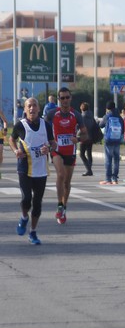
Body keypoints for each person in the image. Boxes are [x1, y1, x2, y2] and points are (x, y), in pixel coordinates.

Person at [8, 97, 56, 245]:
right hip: (24, 168)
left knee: (37, 203)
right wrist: (16, 150)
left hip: (40, 170)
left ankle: (33, 232)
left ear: (39, 108)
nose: (32, 108)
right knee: (26, 199)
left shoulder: (46, 125)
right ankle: (24, 218)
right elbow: (11, 139)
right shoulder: (20, 126)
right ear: (25, 109)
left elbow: (53, 144)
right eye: (29, 106)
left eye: (34, 106)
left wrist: (48, 148)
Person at [45, 87, 87, 224]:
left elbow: (85, 134)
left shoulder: (76, 115)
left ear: (71, 98)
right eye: (62, 98)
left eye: (67, 97)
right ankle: (59, 205)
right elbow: (43, 128)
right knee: (61, 175)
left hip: (71, 151)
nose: (65, 100)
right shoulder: (52, 114)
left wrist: (79, 139)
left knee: (67, 182)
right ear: (59, 99)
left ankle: (64, 207)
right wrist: (48, 142)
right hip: (57, 150)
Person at [98, 100, 124, 185]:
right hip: (117, 140)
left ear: (107, 108)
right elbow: (123, 129)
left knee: (108, 159)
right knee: (116, 159)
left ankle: (108, 179)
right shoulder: (119, 117)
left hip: (108, 140)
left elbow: (101, 125)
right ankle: (115, 179)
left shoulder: (107, 116)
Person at [79, 102, 95, 176]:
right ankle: (89, 169)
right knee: (89, 154)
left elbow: (81, 128)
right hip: (91, 136)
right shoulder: (91, 116)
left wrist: (77, 135)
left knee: (81, 154)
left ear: (82, 108)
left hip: (84, 137)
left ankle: (89, 170)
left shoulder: (82, 116)